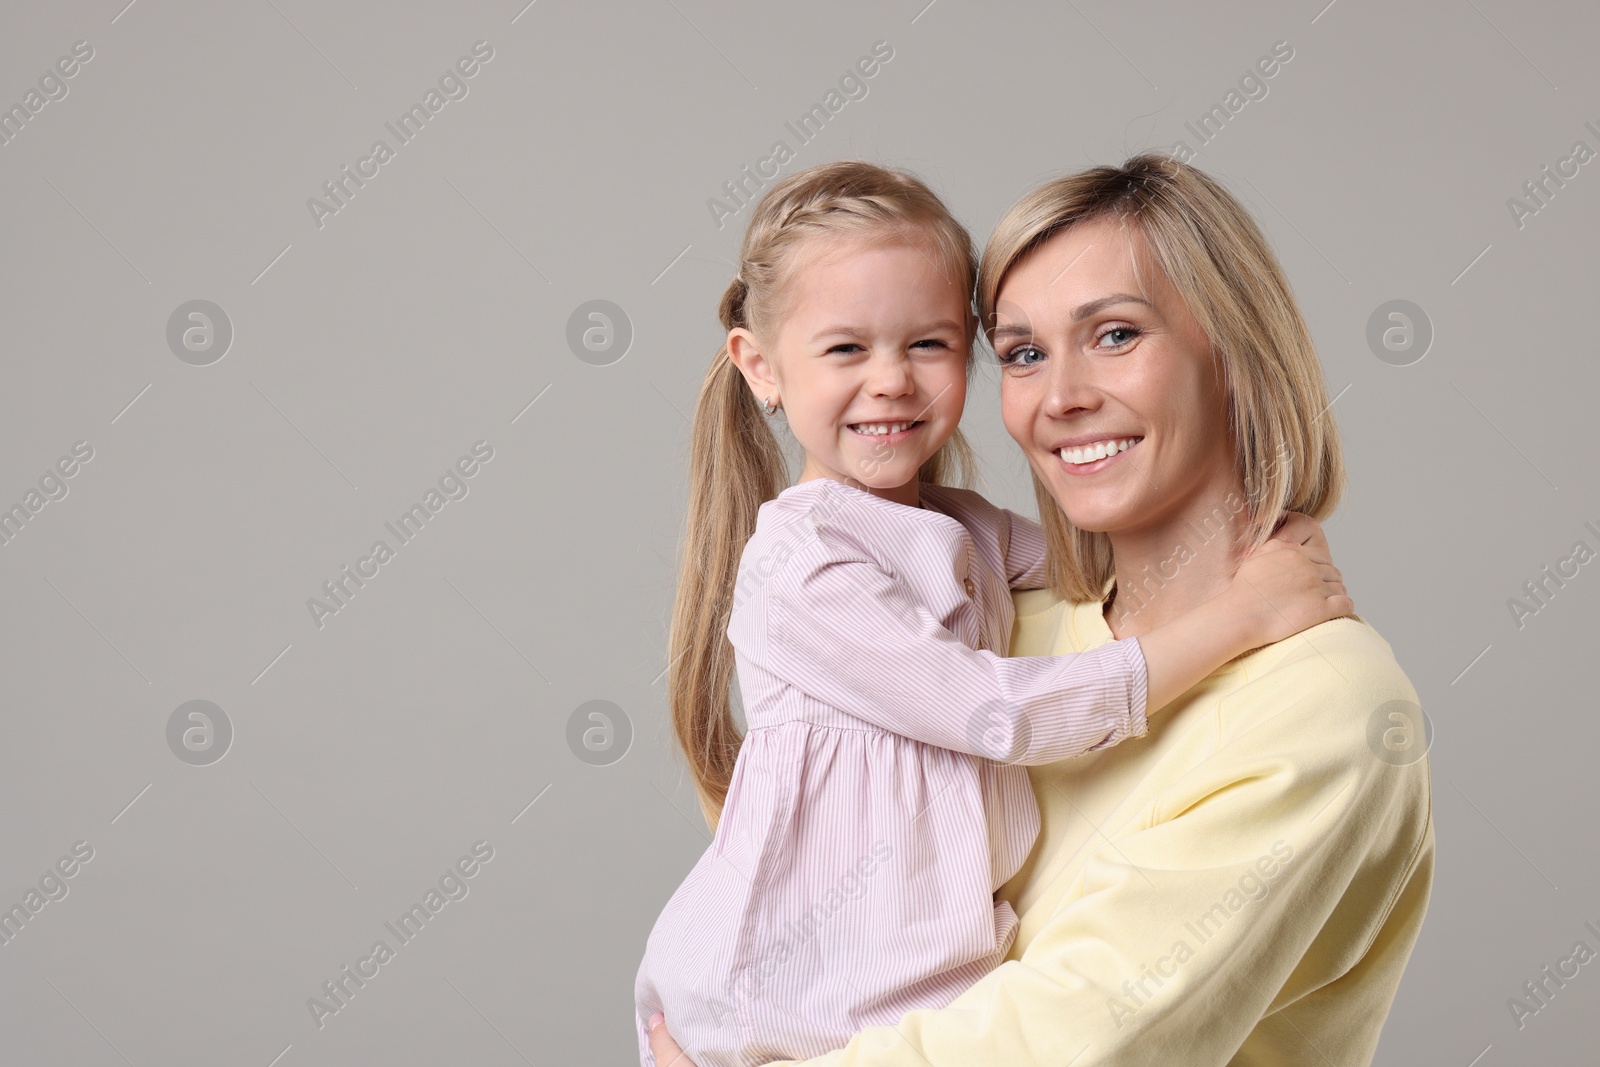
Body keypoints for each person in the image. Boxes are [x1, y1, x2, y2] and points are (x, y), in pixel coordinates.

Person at [647, 153, 1435, 1066]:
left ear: (1234, 353)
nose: (1061, 397)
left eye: (1114, 335)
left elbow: (1070, 1040)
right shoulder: (995, 631)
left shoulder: (1326, 705)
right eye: (1023, 352)